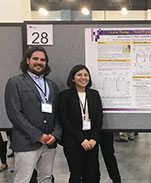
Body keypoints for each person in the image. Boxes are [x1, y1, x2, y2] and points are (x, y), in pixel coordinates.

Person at [4, 46, 62, 183]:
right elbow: (15, 114)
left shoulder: (52, 85)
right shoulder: (15, 83)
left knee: (46, 178)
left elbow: (58, 114)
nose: (39, 62)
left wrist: (55, 134)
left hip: (49, 143)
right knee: (22, 179)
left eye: (43, 60)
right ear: (28, 60)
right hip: (26, 141)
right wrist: (38, 135)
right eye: (35, 58)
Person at [58, 64, 103, 183]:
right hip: (73, 141)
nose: (83, 77)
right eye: (79, 75)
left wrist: (94, 138)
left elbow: (99, 118)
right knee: (76, 174)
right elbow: (64, 120)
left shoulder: (94, 94)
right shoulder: (65, 95)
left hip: (92, 141)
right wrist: (81, 140)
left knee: (92, 174)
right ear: (72, 78)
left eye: (86, 75)